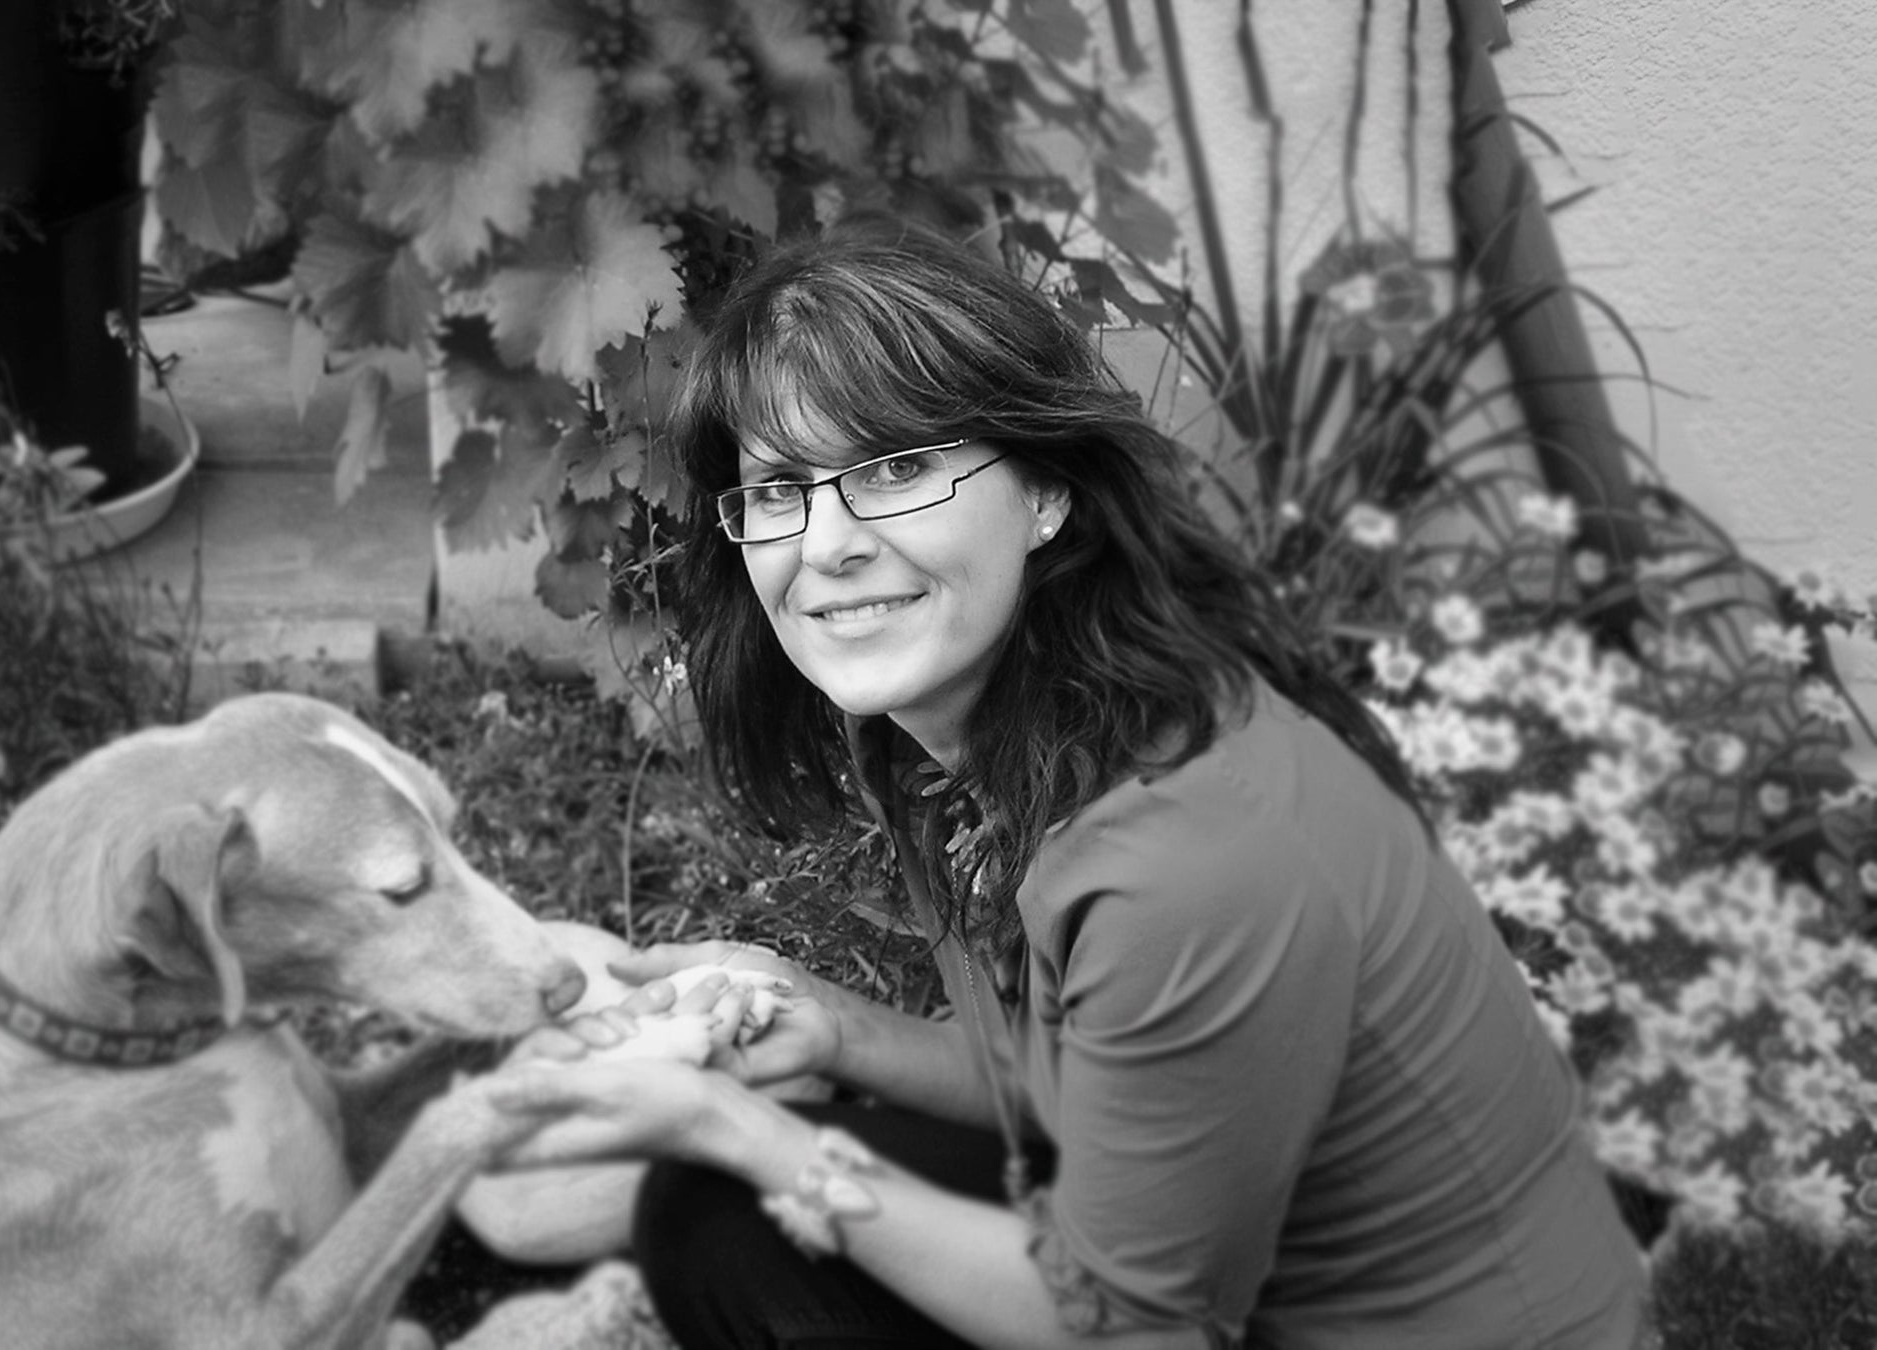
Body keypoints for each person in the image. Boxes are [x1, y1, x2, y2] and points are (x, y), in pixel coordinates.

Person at [481, 213, 1649, 1349]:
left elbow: (1133, 1326)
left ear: (1045, 494)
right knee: (715, 1228)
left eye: (896, 468)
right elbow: (1078, 1077)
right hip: (1245, 1282)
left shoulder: (1186, 853)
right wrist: (830, 1028)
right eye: (781, 489)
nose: (825, 545)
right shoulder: (1024, 728)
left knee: (744, 1199)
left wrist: (733, 1126)